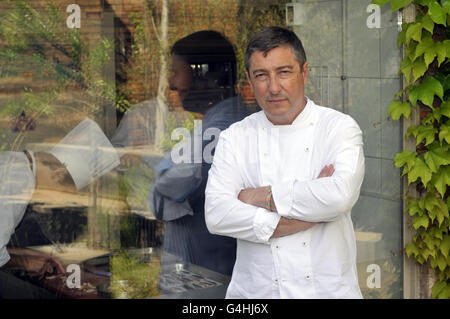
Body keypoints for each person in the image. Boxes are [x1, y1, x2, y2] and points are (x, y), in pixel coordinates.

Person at [204, 26, 365, 298]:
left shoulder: (338, 128)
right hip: (255, 295)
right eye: (261, 75)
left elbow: (339, 197)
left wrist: (258, 196)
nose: (274, 87)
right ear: (249, 80)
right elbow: (217, 215)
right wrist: (302, 217)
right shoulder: (235, 138)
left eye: (284, 72)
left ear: (304, 72)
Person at [0, 118, 120, 298]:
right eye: (62, 192)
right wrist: (25, 262)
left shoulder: (15, 163)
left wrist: (29, 254)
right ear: (57, 174)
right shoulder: (18, 180)